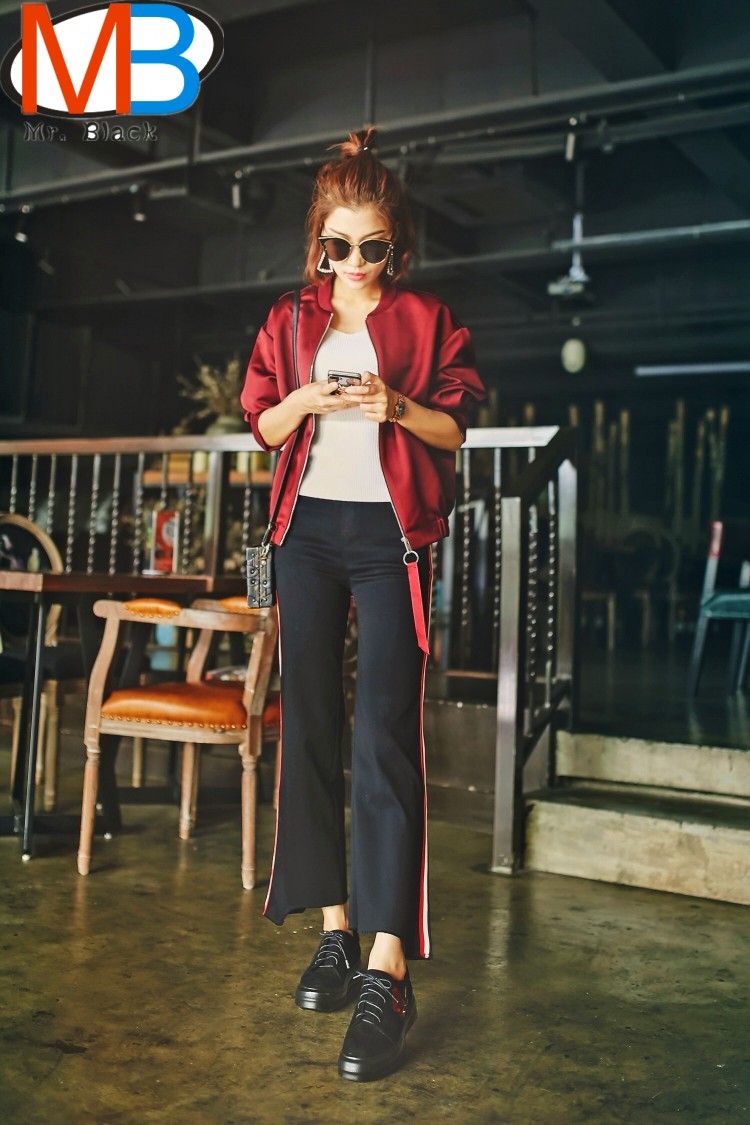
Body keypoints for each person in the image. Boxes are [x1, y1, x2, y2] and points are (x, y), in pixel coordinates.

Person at [241, 126, 485, 1082]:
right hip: (304, 535)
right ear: (318, 243)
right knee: (308, 724)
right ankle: (335, 931)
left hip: (391, 540)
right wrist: (307, 398)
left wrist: (393, 406)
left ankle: (388, 967)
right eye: (336, 245)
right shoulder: (288, 320)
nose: (352, 262)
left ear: (396, 246)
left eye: (371, 246)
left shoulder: (425, 319)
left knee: (384, 736)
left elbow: (455, 428)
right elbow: (263, 425)